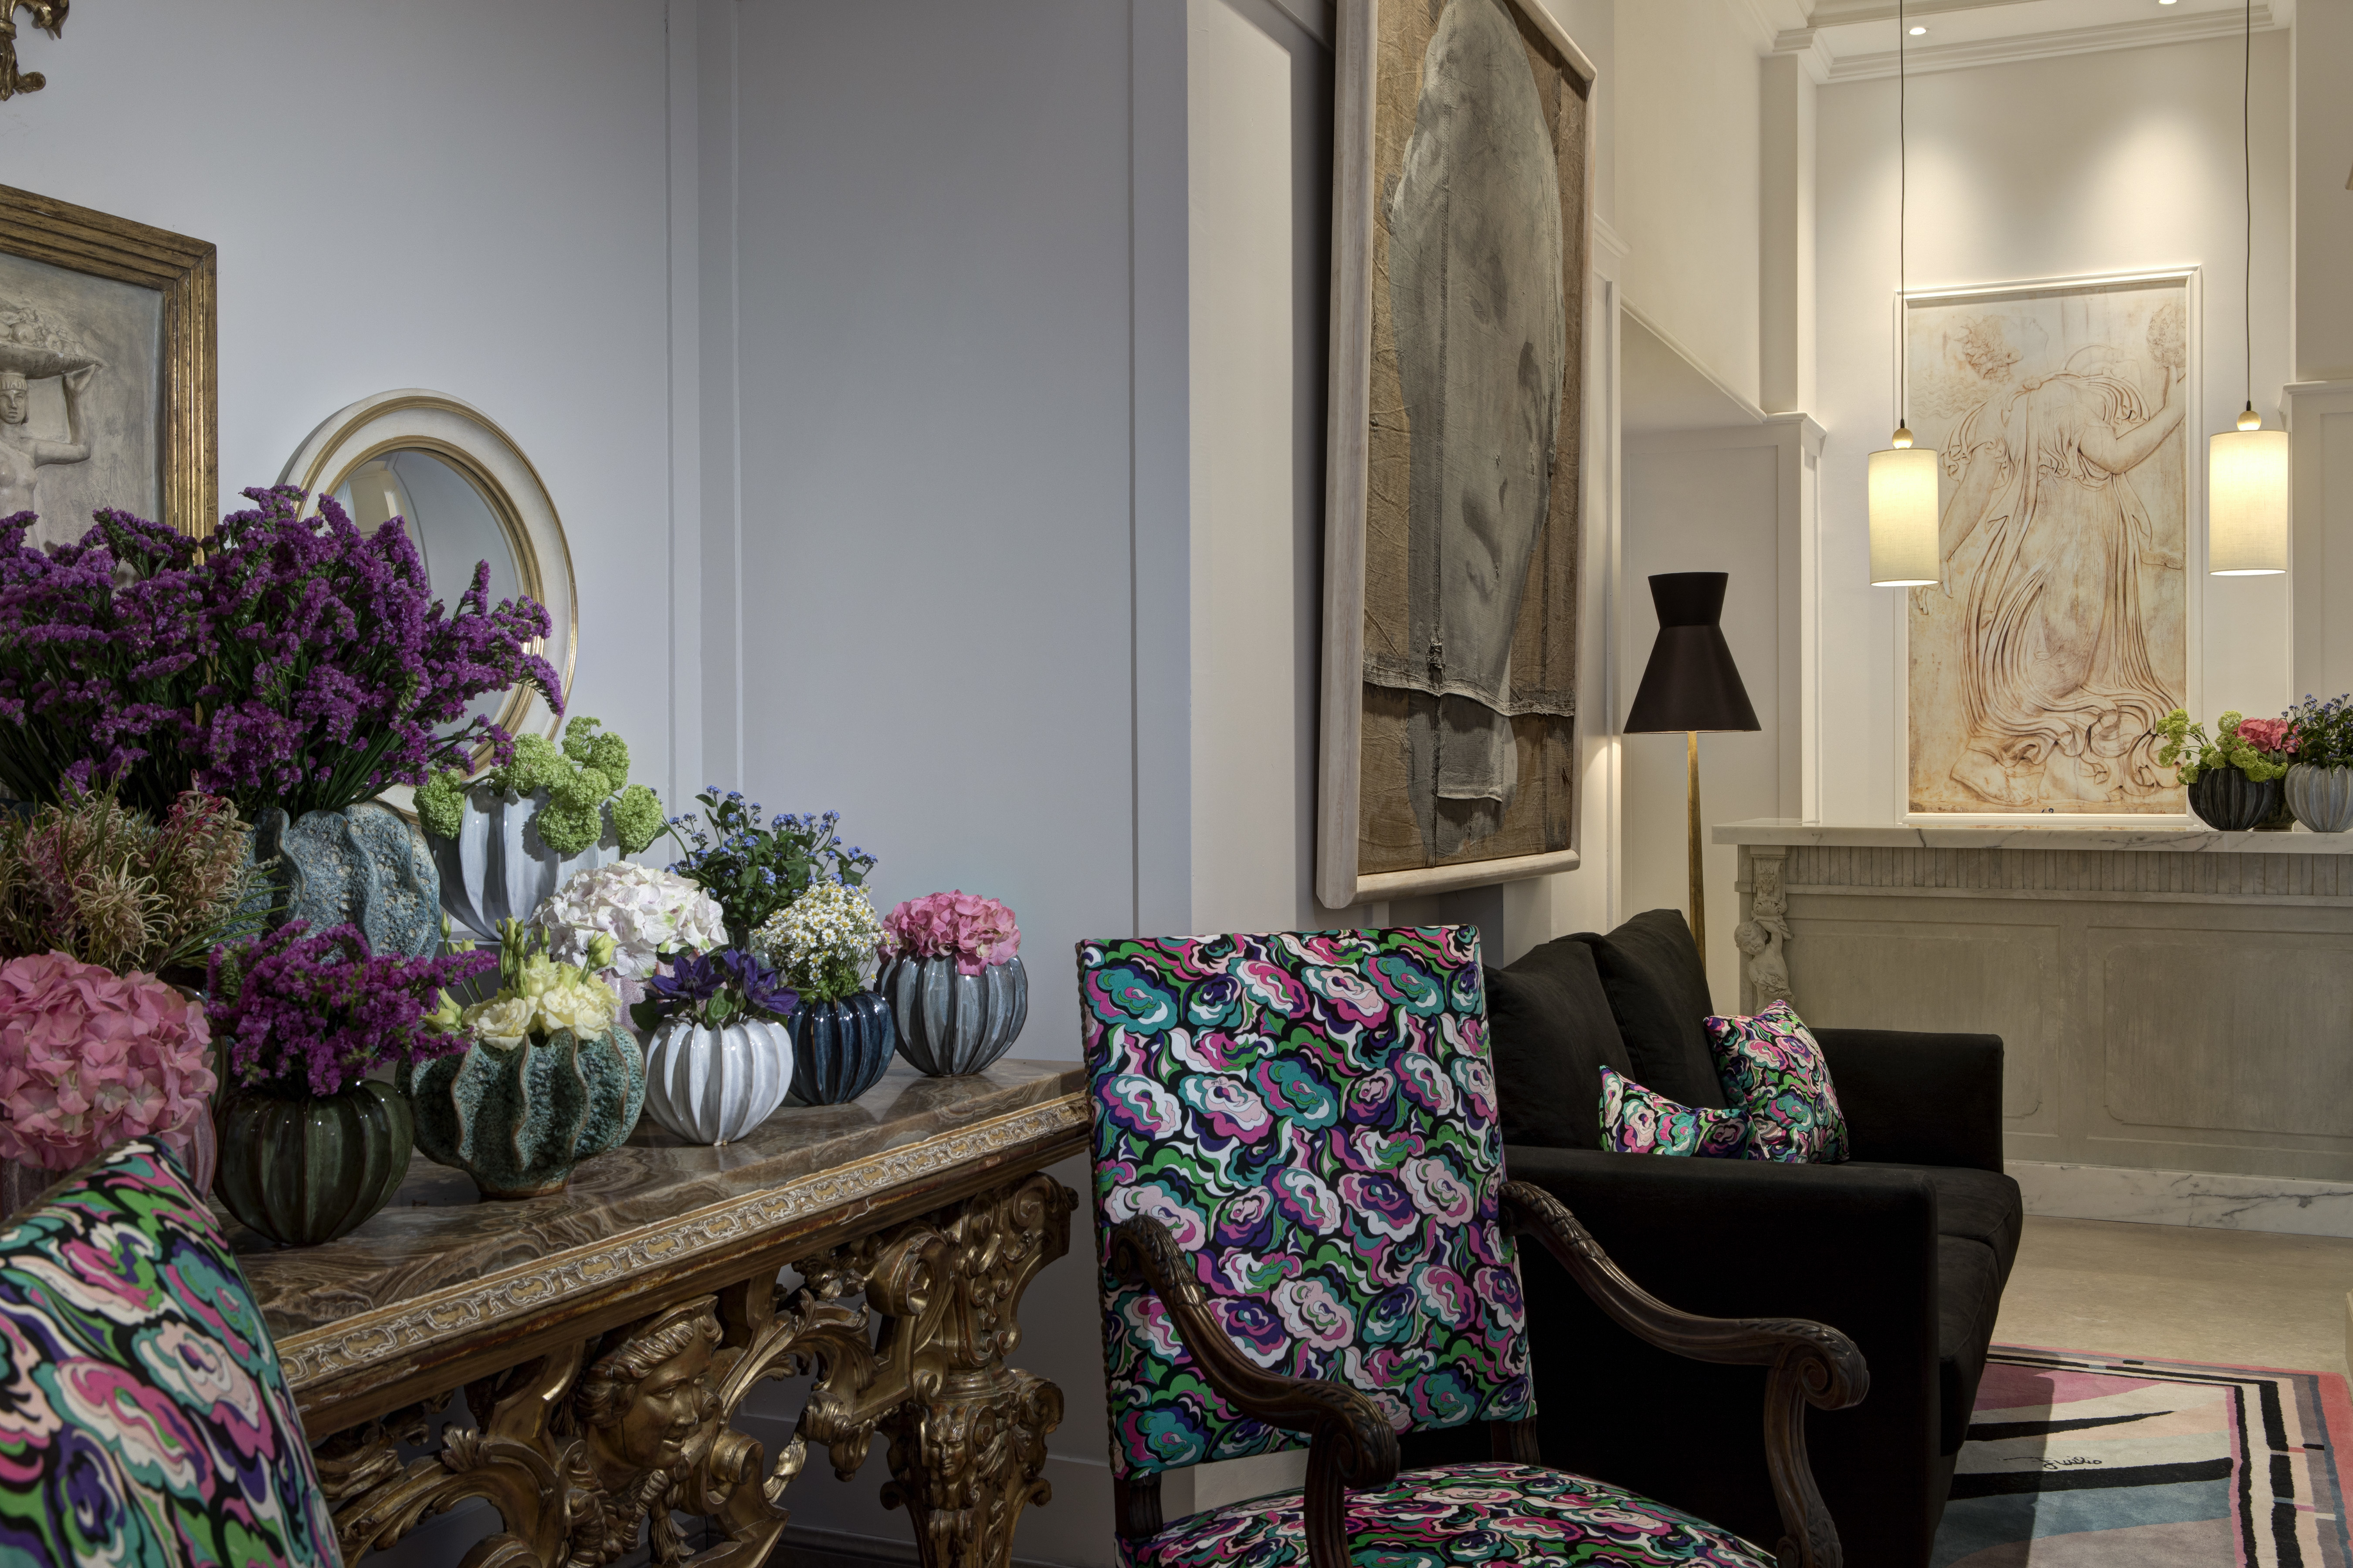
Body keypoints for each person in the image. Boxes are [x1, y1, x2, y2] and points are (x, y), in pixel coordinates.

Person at [1937, 343, 2185, 806]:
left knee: (2060, 655)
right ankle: (1985, 748)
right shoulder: (2068, 397)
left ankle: (2033, 759)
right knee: (2067, 657)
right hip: (2074, 542)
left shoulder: (2006, 407)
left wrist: (1941, 551)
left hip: (2040, 541)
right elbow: (2114, 455)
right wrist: (2175, 410)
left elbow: (1976, 486)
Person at [0, 362, 95, 519]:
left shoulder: (31, 448)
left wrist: (74, 397)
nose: (13, 405)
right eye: (4, 398)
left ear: (27, 403)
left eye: (19, 397)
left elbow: (81, 450)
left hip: (27, 537)